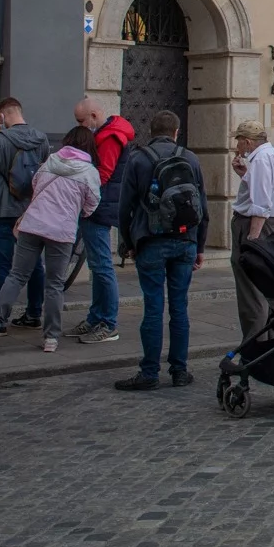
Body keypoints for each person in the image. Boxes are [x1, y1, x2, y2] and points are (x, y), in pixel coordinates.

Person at [0, 127, 101, 354]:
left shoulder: (50, 161)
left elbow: (35, 185)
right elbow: (92, 204)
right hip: (61, 232)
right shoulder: (88, 172)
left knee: (16, 276)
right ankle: (51, 337)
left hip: (32, 225)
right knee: (54, 284)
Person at [114, 110, 209, 391]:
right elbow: (203, 207)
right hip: (185, 242)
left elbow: (124, 207)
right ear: (176, 131)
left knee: (153, 307)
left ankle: (149, 372)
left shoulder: (139, 159)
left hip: (151, 240)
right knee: (179, 307)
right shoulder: (191, 158)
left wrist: (128, 243)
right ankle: (180, 371)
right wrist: (199, 245)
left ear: (151, 132)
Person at [0, 97, 50, 333]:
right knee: (35, 263)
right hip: (31, 211)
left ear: (1, 117)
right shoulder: (41, 138)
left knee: (2, 266)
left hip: (3, 209)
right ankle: (34, 313)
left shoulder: (1, 138)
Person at [67, 97, 135, 345]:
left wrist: (82, 194)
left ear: (94, 115)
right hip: (99, 206)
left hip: (98, 207)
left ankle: (108, 322)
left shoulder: (109, 138)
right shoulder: (109, 133)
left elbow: (102, 175)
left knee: (103, 267)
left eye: (81, 121)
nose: (80, 125)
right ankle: (96, 318)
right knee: (98, 266)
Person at [229, 120, 274, 340]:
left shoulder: (260, 160)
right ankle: (270, 342)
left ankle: (253, 347)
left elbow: (261, 204)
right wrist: (244, 175)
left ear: (247, 142)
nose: (236, 146)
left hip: (257, 225)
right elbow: (269, 193)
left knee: (251, 290)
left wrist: (252, 239)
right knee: (269, 285)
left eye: (238, 141)